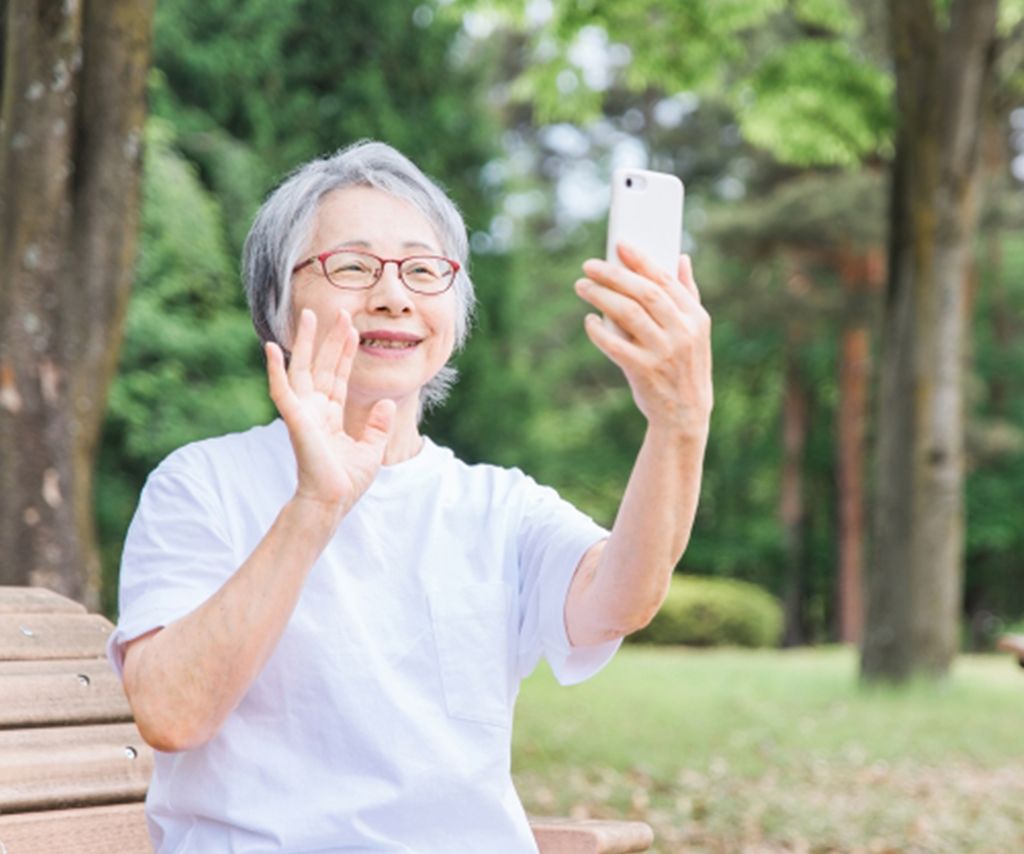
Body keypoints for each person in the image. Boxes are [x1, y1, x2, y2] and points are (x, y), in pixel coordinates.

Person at [107, 140, 712, 852]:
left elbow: (624, 597)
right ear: (277, 303)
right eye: (353, 266)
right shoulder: (202, 483)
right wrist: (314, 508)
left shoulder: (498, 506)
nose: (393, 296)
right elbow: (171, 714)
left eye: (424, 271)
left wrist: (679, 424)